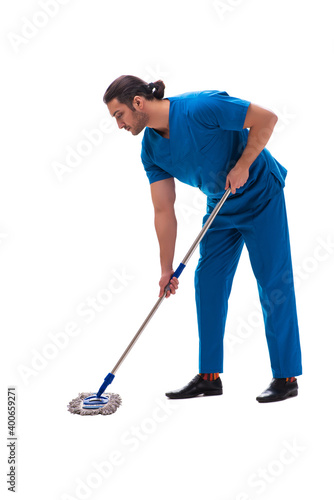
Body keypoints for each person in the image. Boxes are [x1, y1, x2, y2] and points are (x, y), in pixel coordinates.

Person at [103, 75, 302, 403]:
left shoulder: (201, 107)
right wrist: (166, 268)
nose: (119, 125)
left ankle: (286, 377)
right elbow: (164, 210)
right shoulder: (150, 150)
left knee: (273, 282)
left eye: (119, 115)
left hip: (260, 194)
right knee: (208, 282)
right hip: (220, 204)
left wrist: (243, 165)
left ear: (137, 103)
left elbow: (266, 119)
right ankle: (209, 377)